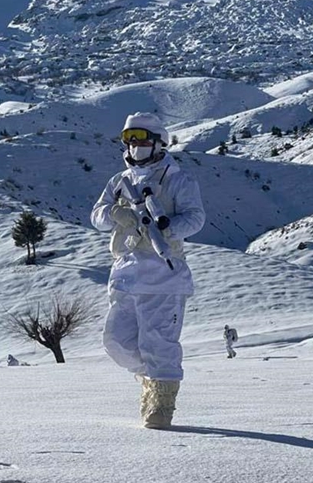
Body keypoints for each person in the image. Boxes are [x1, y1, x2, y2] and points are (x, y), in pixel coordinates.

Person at [91, 112, 205, 429]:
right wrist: (116, 213)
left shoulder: (178, 180)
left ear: (158, 142)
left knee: (160, 345)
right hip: (126, 275)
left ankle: (161, 403)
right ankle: (150, 378)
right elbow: (97, 216)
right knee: (116, 342)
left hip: (163, 275)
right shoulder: (119, 182)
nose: (135, 146)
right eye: (130, 139)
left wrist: (166, 229)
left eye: (141, 139)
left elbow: (195, 218)